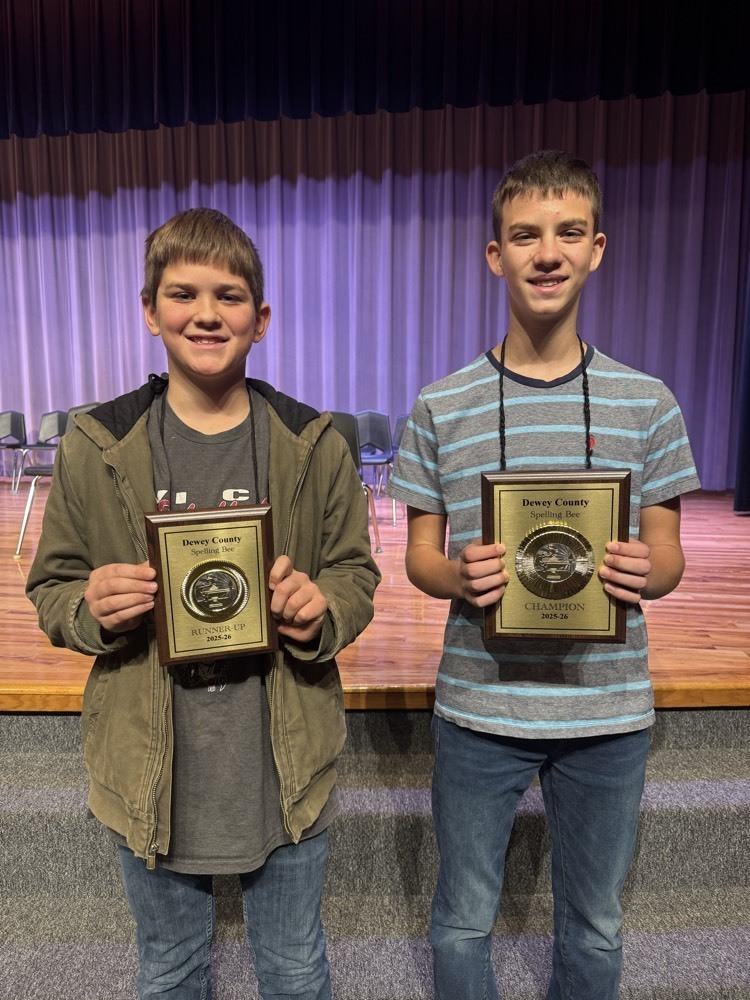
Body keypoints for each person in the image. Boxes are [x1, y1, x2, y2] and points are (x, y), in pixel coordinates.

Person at [26, 207, 381, 1000]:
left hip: (284, 765)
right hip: (150, 769)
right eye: (183, 294)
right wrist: (90, 607)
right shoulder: (95, 443)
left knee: (295, 972)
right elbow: (51, 589)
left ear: (261, 319)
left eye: (228, 295)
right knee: (171, 973)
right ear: (150, 312)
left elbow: (356, 575)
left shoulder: (314, 440)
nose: (206, 313)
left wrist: (322, 609)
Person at [388, 150, 700, 999]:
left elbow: (669, 555)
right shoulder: (440, 403)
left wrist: (648, 568)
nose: (547, 252)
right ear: (496, 255)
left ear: (598, 248)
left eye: (568, 233)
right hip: (480, 708)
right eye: (525, 235)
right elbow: (419, 556)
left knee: (595, 929)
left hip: (608, 711)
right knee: (461, 921)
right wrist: (455, 578)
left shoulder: (649, 401)